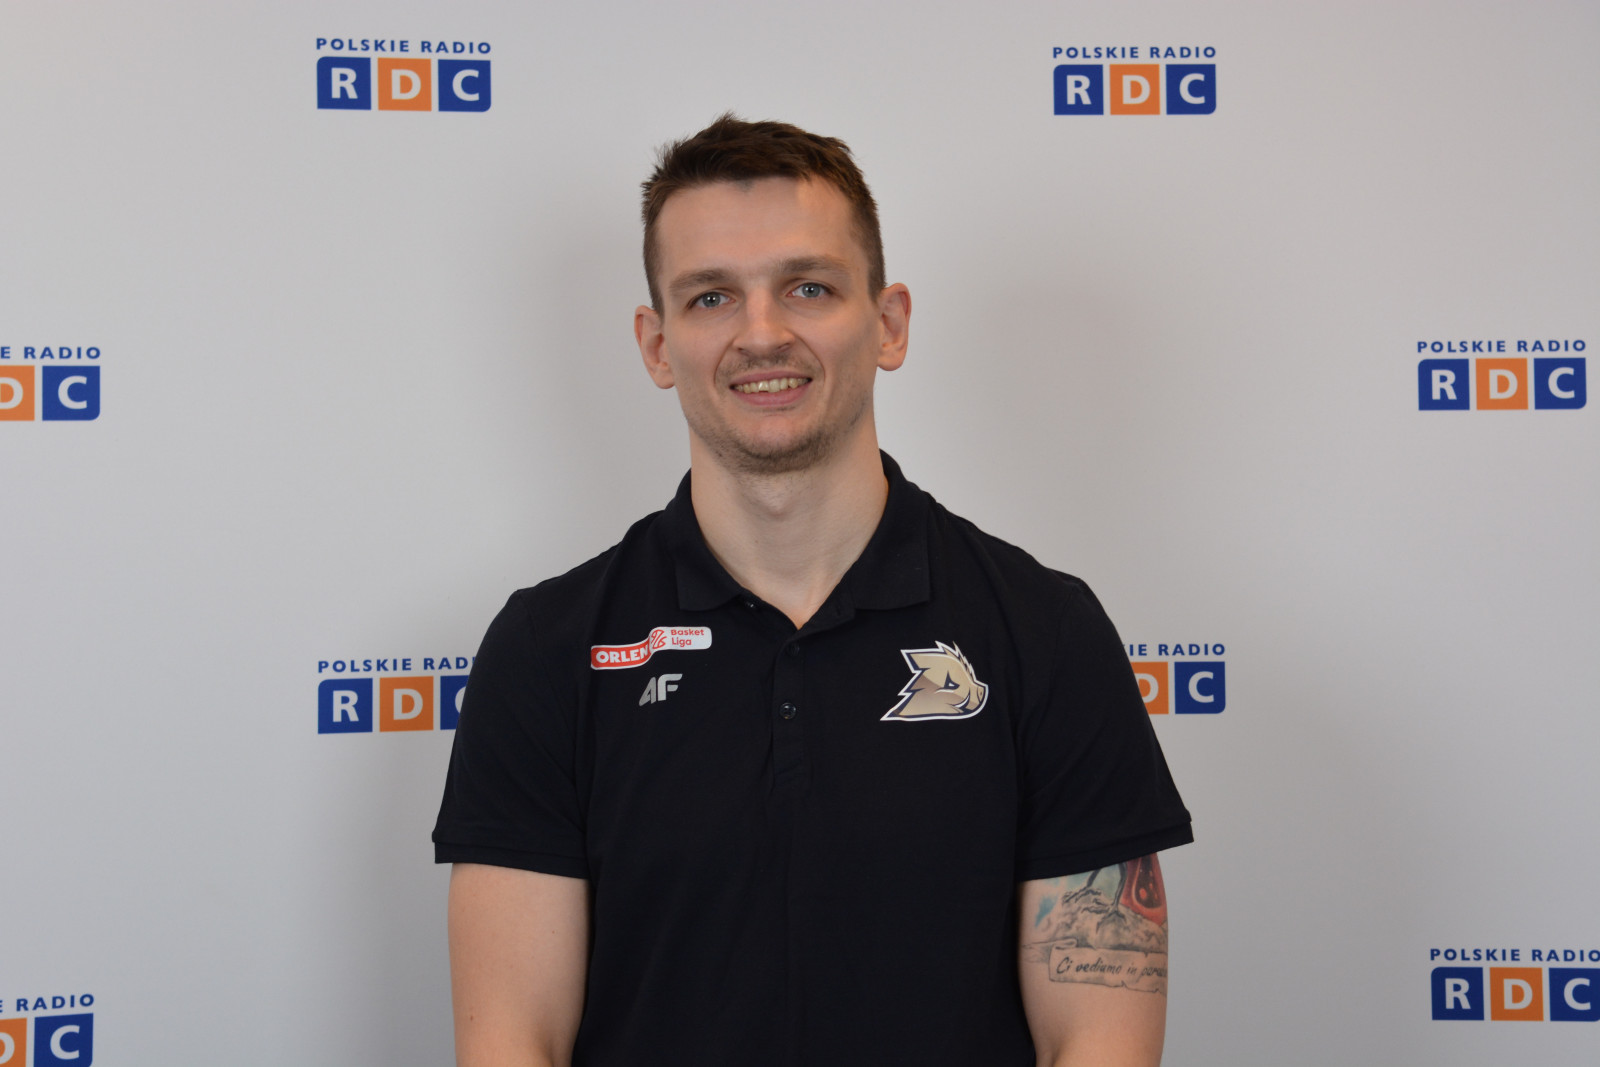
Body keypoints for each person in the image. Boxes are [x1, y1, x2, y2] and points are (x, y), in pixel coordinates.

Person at [433, 114, 1192, 1067]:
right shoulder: (547, 648)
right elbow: (513, 1042)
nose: (762, 333)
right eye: (711, 296)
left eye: (809, 287)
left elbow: (1098, 1040)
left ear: (888, 323)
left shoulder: (1046, 632)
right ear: (657, 344)